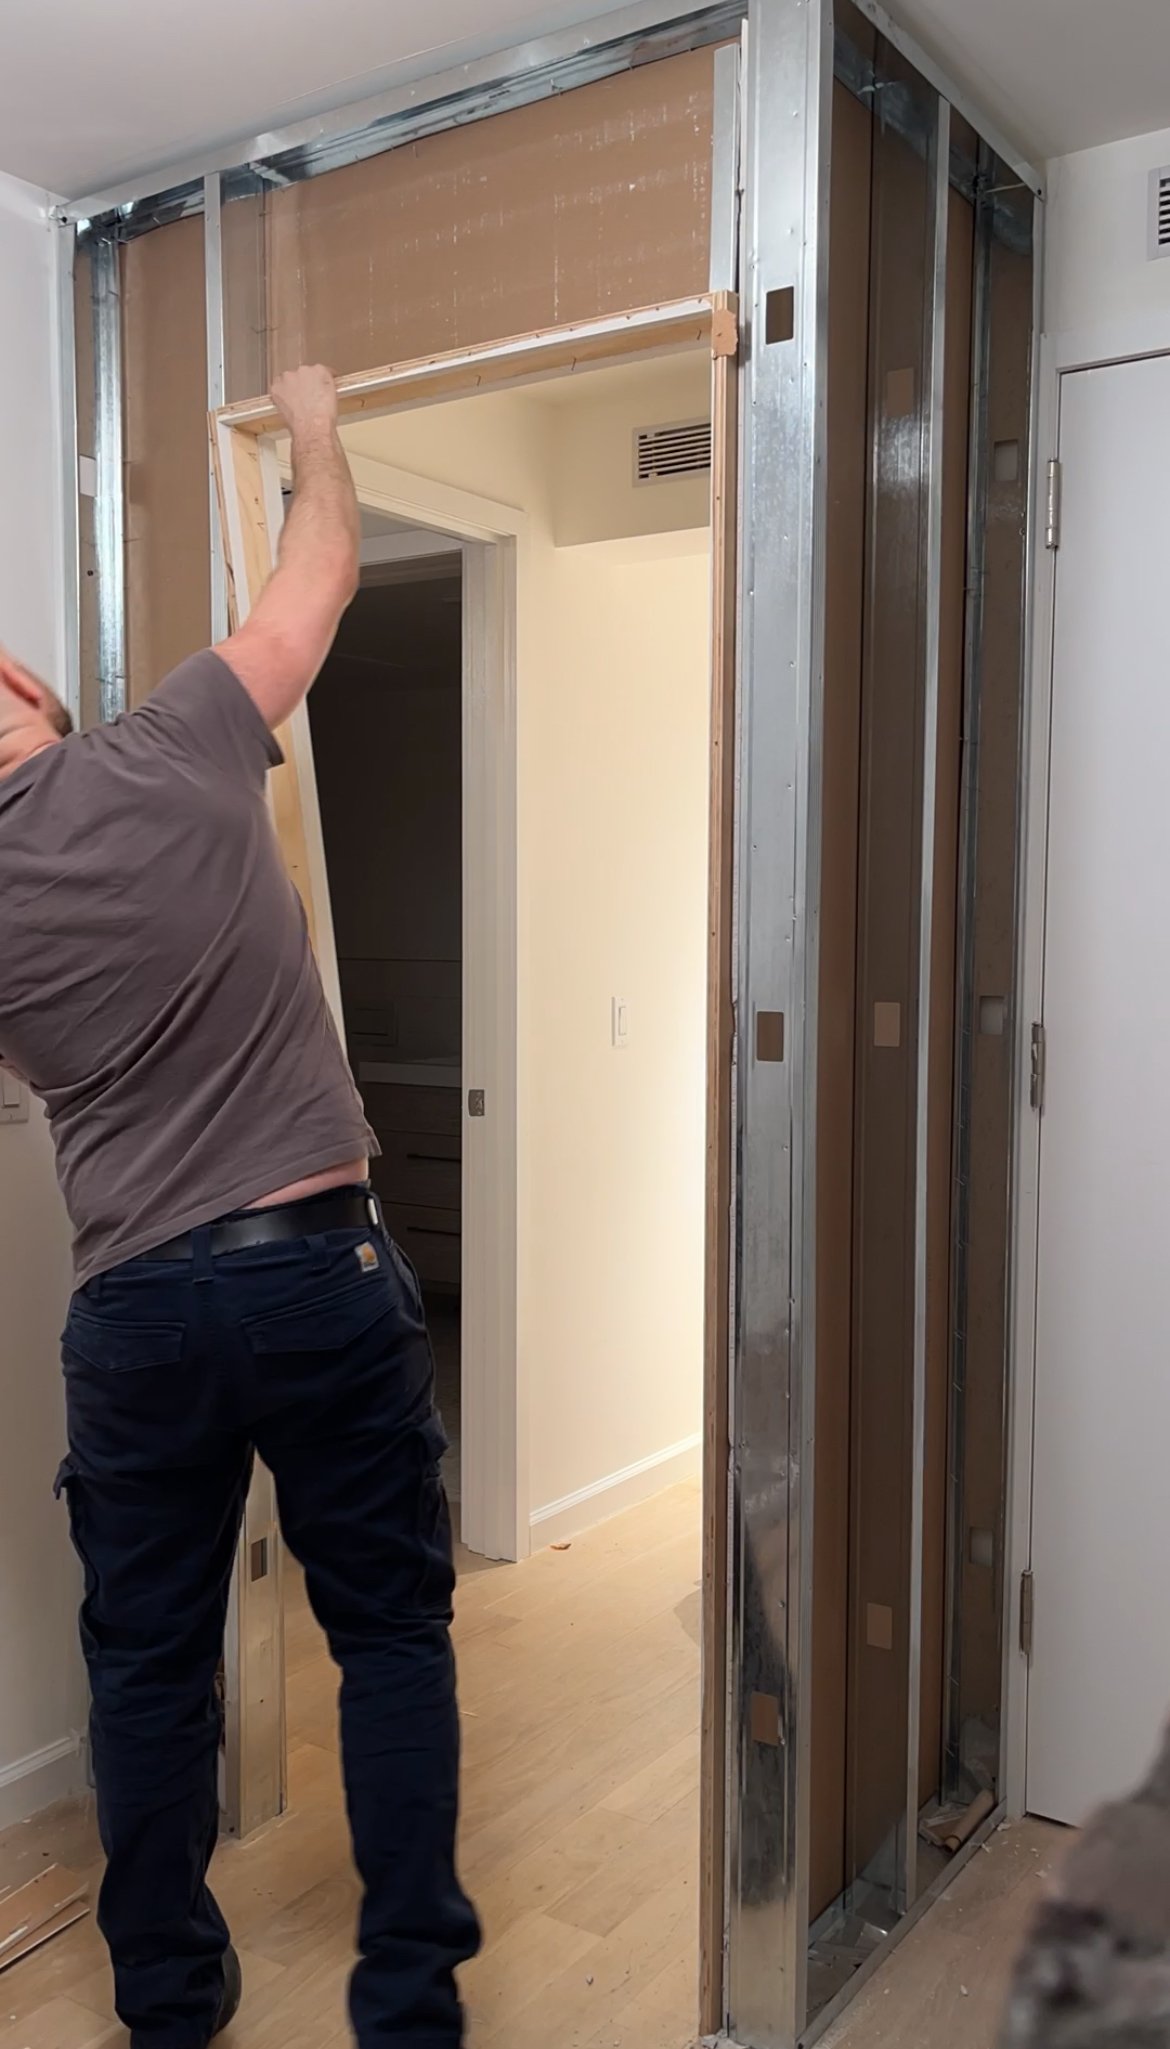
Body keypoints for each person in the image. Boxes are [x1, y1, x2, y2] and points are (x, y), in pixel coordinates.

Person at [0, 365, 480, 2049]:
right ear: (25, 684)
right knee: (390, 1640)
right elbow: (320, 571)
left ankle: (165, 2005)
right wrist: (315, 424)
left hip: (132, 1311)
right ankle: (410, 2004)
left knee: (145, 1666)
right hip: (311, 1268)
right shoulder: (185, 735)